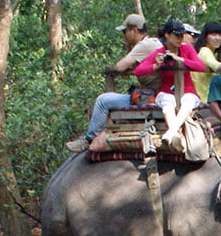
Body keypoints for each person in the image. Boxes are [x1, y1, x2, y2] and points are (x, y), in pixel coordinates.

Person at [67, 14, 163, 153]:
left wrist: (128, 64)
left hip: (150, 97)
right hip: (156, 94)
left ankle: (89, 139)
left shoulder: (144, 45)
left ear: (134, 30)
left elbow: (120, 67)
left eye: (125, 32)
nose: (123, 35)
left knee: (103, 101)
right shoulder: (152, 42)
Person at [132, 18, 207, 147]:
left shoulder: (187, 50)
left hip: (188, 90)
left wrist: (181, 60)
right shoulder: (160, 52)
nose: (180, 39)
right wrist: (155, 66)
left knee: (188, 100)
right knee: (167, 101)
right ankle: (174, 133)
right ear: (167, 35)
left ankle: (171, 132)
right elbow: (138, 71)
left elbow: (200, 66)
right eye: (176, 35)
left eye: (182, 35)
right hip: (167, 90)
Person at [191, 21, 221, 101]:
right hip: (203, 99)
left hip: (207, 98)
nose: (217, 38)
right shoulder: (204, 51)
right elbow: (217, 67)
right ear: (205, 37)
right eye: (213, 35)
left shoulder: (212, 53)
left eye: (220, 35)